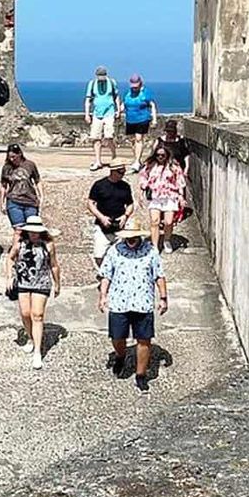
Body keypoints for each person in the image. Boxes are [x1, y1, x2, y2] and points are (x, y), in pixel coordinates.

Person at [98, 218, 169, 390]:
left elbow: (159, 275)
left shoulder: (151, 251)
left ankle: (141, 374)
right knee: (117, 337)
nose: (130, 241)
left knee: (144, 340)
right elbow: (106, 275)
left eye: (133, 238)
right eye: (127, 238)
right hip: (119, 302)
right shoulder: (115, 251)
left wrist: (163, 297)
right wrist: (103, 296)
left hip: (142, 302)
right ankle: (121, 355)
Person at [5, 217, 60, 369]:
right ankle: (31, 337)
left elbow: (54, 265)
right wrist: (9, 276)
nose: (34, 234)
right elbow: (10, 258)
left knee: (37, 314)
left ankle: (37, 351)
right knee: (25, 313)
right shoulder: (20, 244)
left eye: (36, 232)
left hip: (41, 282)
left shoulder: (48, 245)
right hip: (23, 281)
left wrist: (57, 283)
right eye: (31, 232)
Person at [139, 143, 188, 253]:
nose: (160, 157)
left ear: (167, 155)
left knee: (168, 222)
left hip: (170, 196)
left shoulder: (174, 166)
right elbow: (143, 178)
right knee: (154, 221)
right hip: (155, 196)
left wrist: (181, 197)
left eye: (162, 155)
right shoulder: (150, 165)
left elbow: (180, 181)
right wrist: (141, 193)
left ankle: (166, 239)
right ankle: (155, 245)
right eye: (158, 155)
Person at [87, 162, 135, 268]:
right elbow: (90, 204)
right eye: (120, 172)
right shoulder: (99, 185)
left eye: (124, 172)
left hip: (120, 225)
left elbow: (130, 204)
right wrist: (101, 217)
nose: (122, 174)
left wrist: (125, 216)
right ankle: (105, 272)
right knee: (99, 255)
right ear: (112, 171)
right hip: (102, 224)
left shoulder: (125, 186)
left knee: (123, 254)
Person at [85, 66, 123, 171]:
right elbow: (88, 99)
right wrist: (87, 114)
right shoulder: (92, 84)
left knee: (109, 136)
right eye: (100, 76)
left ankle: (114, 156)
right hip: (97, 114)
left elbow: (116, 96)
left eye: (103, 76)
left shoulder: (112, 82)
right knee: (95, 137)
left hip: (109, 113)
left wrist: (118, 109)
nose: (102, 78)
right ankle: (98, 161)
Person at [0, 144, 42, 234]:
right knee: (19, 230)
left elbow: (37, 180)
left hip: (30, 201)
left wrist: (41, 195)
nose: (12, 159)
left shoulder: (30, 165)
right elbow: (3, 186)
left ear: (19, 154)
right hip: (14, 201)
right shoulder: (6, 168)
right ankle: (19, 247)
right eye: (10, 157)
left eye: (14, 157)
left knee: (32, 230)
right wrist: (2, 202)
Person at [123, 74, 157, 173]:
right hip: (130, 119)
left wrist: (154, 119)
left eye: (136, 86)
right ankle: (137, 159)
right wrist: (118, 111)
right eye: (133, 86)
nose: (134, 88)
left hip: (142, 118)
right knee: (132, 140)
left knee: (139, 138)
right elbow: (124, 103)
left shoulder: (145, 93)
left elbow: (152, 105)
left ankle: (137, 162)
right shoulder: (128, 93)